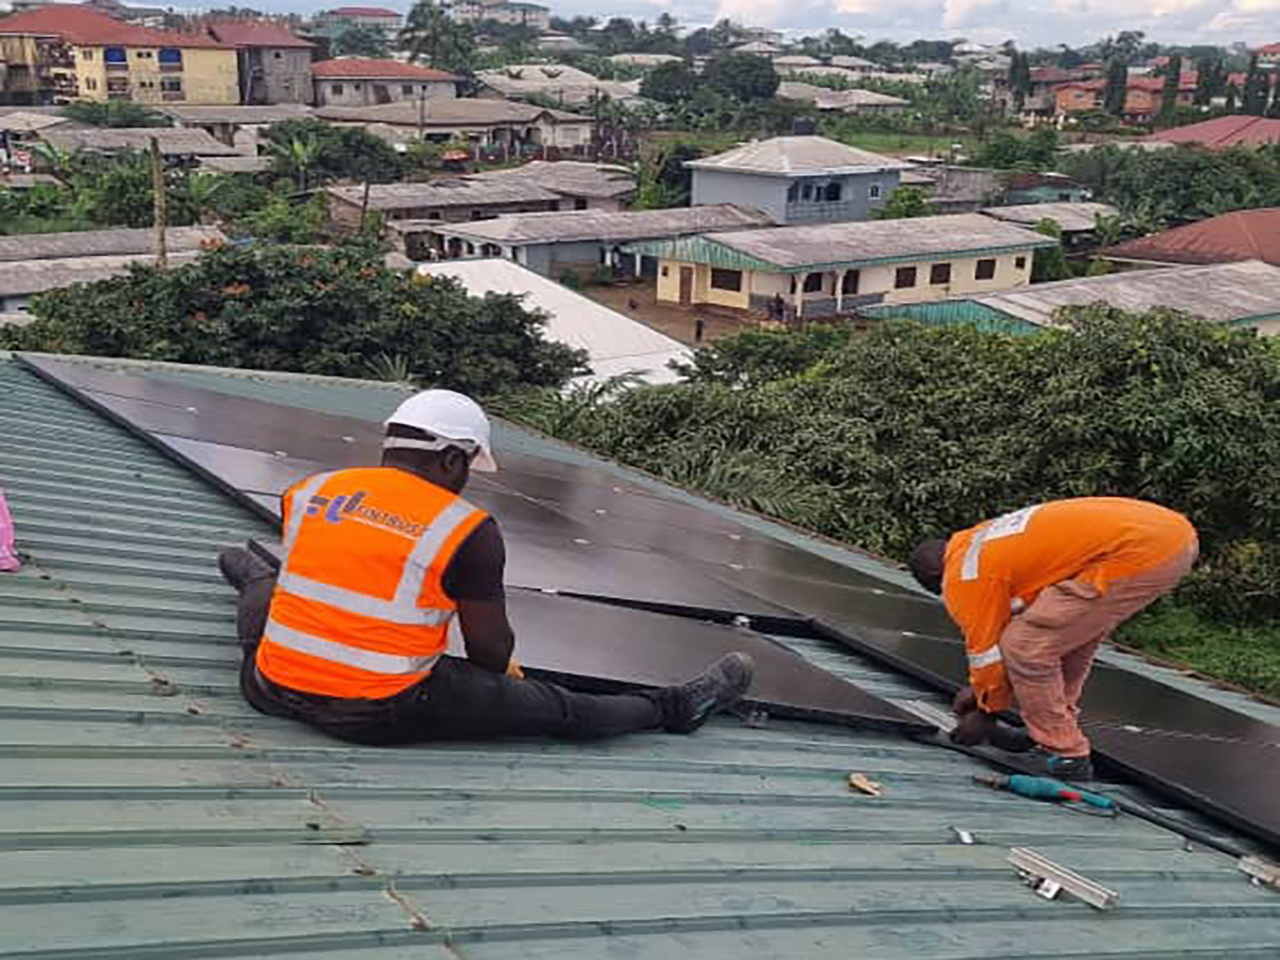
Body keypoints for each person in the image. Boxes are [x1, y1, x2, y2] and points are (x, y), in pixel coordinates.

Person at [219, 389, 754, 745]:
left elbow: (333, 568)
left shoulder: (310, 492)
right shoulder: (464, 530)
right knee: (562, 711)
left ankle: (251, 575)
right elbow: (489, 652)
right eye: (470, 465)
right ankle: (677, 708)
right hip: (376, 711)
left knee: (270, 598)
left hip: (268, 687)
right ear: (453, 459)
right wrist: (505, 689)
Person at [908, 498, 1198, 780]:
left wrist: (985, 713)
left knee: (1025, 647)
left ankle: (1066, 755)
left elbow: (986, 652)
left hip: (1136, 551)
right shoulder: (979, 542)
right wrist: (978, 690)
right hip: (1168, 533)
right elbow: (1025, 620)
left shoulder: (962, 577)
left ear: (935, 579)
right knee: (1054, 640)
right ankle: (1054, 730)